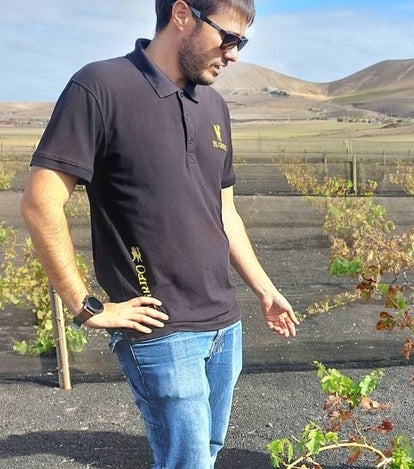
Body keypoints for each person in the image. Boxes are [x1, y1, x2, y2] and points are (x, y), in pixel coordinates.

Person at [20, 1, 299, 467]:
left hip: (224, 325)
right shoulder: (101, 86)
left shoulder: (213, 105)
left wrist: (264, 290)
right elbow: (40, 202)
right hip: (160, 328)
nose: (234, 54)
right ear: (183, 14)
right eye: (228, 38)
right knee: (186, 462)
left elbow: (225, 212)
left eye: (242, 42)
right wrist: (85, 305)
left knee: (205, 454)